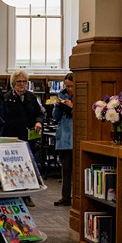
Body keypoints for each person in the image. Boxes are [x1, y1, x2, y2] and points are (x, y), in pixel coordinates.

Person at [4, 69, 44, 206]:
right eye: (19, 81)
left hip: (28, 138)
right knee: (12, 166)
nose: (22, 84)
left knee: (27, 167)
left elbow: (39, 113)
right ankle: (13, 194)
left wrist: (38, 122)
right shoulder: (7, 98)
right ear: (13, 83)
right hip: (12, 138)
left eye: (24, 81)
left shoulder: (31, 97)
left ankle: (26, 195)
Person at [52, 73, 74, 206]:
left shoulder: (82, 95)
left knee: (76, 170)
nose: (69, 89)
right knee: (65, 169)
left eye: (71, 86)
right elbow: (55, 117)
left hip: (75, 137)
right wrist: (59, 106)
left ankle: (77, 196)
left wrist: (72, 107)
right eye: (67, 86)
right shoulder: (62, 95)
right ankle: (65, 196)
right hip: (64, 138)